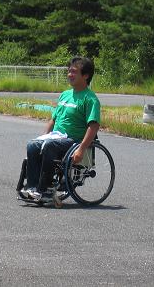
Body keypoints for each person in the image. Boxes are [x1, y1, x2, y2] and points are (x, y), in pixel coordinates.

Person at [20, 56, 100, 205]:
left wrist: (81, 149)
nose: (70, 74)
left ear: (86, 75)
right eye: (69, 71)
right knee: (33, 144)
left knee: (50, 146)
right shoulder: (65, 95)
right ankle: (32, 187)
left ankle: (45, 189)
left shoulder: (90, 99)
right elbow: (53, 120)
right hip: (56, 136)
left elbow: (94, 126)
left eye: (74, 72)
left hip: (73, 140)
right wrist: (43, 137)